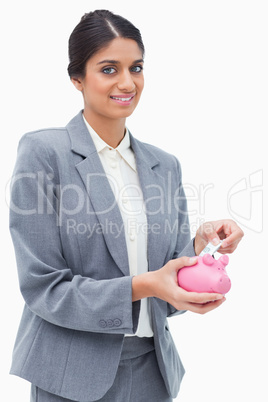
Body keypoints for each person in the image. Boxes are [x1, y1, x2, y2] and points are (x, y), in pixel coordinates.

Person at [9, 10, 244, 402]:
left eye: (135, 67)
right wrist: (144, 285)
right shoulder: (44, 153)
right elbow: (44, 288)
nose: (126, 82)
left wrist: (200, 248)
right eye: (108, 69)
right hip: (71, 375)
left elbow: (167, 290)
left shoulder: (163, 166)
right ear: (77, 78)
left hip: (153, 372)